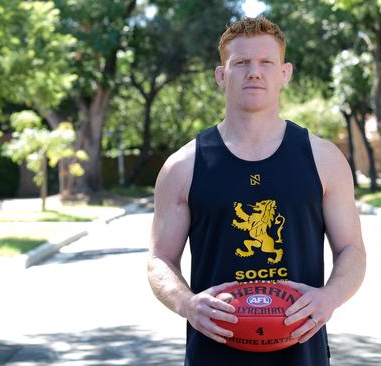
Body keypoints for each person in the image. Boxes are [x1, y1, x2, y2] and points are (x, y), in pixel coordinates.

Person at [148, 16, 366, 366]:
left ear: (285, 73)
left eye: (267, 62)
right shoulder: (183, 166)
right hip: (213, 354)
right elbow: (160, 260)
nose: (254, 72)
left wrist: (331, 296)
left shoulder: (323, 158)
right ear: (222, 75)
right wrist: (187, 303)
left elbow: (352, 250)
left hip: (302, 355)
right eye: (241, 63)